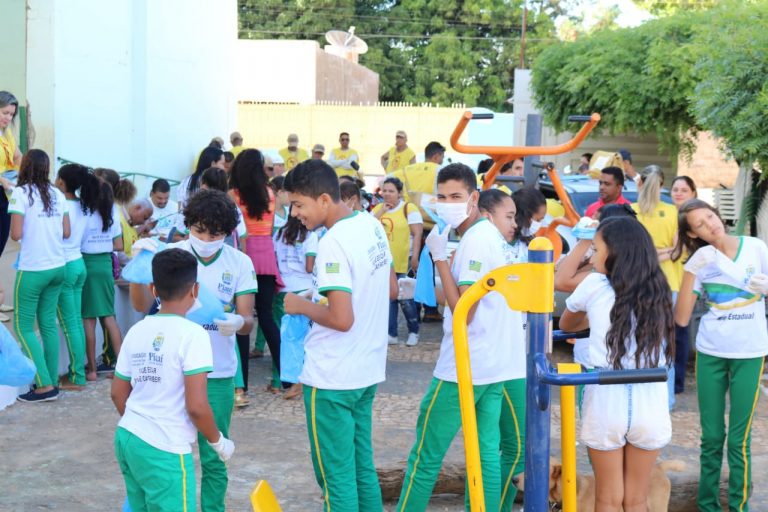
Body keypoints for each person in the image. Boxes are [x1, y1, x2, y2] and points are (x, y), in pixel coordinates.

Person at [396, 164, 524, 511]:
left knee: (425, 456)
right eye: (442, 196)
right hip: (491, 366)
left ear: (474, 197)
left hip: (463, 367)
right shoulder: (486, 236)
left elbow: (464, 311)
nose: (448, 203)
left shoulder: (476, 240)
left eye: (456, 196)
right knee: (485, 456)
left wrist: (439, 259)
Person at [130, 189, 257, 512]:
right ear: (188, 225)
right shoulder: (172, 255)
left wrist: (238, 321)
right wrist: (138, 269)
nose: (206, 239)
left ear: (227, 233)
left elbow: (248, 320)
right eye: (200, 231)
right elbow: (141, 304)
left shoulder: (239, 263)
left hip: (217, 372)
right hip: (171, 371)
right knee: (166, 450)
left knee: (215, 455)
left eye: (215, 234)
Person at [282, 159, 396, 512]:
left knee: (336, 479)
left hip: (332, 378)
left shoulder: (332, 242)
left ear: (324, 199)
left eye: (298, 204)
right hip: (366, 371)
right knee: (361, 468)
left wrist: (300, 306)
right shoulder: (370, 224)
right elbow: (391, 288)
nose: (295, 214)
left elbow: (341, 318)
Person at [560, 216, 673, 512]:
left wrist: (596, 320)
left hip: (606, 393)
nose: (592, 257)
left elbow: (567, 324)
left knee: (608, 498)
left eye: (596, 250)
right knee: (637, 499)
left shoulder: (594, 284)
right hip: (650, 392)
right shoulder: (657, 287)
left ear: (615, 252)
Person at [112, 248, 234, 512]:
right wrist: (218, 442)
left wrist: (142, 423)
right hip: (166, 448)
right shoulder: (193, 335)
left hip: (128, 438)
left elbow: (117, 393)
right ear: (195, 290)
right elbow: (197, 407)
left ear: (153, 289)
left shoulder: (136, 330)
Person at [673, 200, 768, 512]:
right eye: (700, 224)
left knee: (739, 440)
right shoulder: (701, 261)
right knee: (711, 438)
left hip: (750, 352)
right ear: (692, 233)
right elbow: (682, 318)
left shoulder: (755, 247)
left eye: (710, 216)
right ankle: (707, 506)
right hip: (711, 352)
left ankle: (739, 507)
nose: (710, 225)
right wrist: (691, 270)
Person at [476, 188, 527, 511]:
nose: (515, 223)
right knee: (502, 447)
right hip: (499, 361)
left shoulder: (509, 248)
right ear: (487, 216)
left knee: (511, 446)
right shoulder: (482, 244)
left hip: (512, 357)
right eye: (509, 217)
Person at [10, 150, 70, 402]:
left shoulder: (20, 193)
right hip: (58, 267)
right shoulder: (58, 194)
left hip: (33, 269)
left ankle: (44, 385)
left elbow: (15, 234)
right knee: (47, 324)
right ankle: (51, 380)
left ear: (24, 167)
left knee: (22, 326)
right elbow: (66, 232)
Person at [229, 149, 286, 394]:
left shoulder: (234, 194)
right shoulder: (270, 193)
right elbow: (270, 227)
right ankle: (287, 376)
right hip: (266, 255)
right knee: (266, 316)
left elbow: (235, 229)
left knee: (242, 318)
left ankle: (241, 385)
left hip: (244, 255)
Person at [632, 165, 679, 408]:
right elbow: (677, 249)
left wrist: (648, 255)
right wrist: (663, 252)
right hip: (668, 281)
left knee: (636, 340)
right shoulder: (672, 211)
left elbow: (633, 251)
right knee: (664, 343)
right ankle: (666, 400)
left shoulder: (631, 211)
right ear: (662, 185)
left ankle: (640, 396)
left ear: (639, 182)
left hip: (637, 281)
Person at [55, 164, 103, 390]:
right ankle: (78, 372)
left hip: (65, 265)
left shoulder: (60, 204)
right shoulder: (83, 205)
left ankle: (77, 376)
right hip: (78, 263)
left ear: (61, 182)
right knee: (74, 321)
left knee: (70, 324)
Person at [81, 175, 123, 380]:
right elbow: (119, 245)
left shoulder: (83, 211)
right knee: (109, 317)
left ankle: (91, 370)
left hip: (86, 263)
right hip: (105, 264)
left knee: (88, 319)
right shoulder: (112, 211)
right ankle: (121, 369)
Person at [372, 177, 423, 346]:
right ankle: (391, 333)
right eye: (384, 191)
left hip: (403, 260)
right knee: (389, 298)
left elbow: (417, 233)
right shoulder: (378, 209)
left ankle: (414, 331)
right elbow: (368, 228)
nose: (387, 194)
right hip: (384, 262)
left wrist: (415, 257)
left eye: (391, 191)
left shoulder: (409, 208)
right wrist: (381, 212)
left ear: (399, 193)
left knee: (406, 299)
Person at [273, 214, 318, 399]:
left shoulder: (279, 233)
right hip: (303, 291)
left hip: (283, 290)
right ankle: (302, 379)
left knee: (282, 338)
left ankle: (277, 381)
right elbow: (309, 267)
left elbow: (274, 260)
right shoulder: (310, 236)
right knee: (304, 339)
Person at [554, 204, 638, 293]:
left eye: (595, 223)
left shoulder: (611, 271)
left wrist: (587, 238)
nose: (590, 225)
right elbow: (558, 269)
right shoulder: (603, 260)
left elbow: (559, 282)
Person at [668, 175, 697, 393]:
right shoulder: (666, 214)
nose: (678, 193)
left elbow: (679, 251)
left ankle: (677, 381)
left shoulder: (694, 219)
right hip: (667, 282)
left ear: (693, 193)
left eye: (684, 190)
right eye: (675, 189)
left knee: (680, 333)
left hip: (686, 281)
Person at [0, 91, 22, 262]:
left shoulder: (6, 133)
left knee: (2, 238)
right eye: (5, 112)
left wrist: (21, 176)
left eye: (11, 114)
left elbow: (18, 156)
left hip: (6, 192)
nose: (8, 118)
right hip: (3, 185)